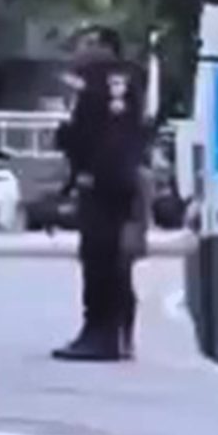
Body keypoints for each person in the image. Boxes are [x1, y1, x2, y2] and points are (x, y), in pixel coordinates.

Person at [53, 26, 149, 362]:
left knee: (97, 258)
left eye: (86, 45)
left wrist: (69, 156)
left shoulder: (86, 80)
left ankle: (97, 334)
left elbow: (77, 131)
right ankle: (123, 334)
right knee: (120, 260)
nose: (80, 52)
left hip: (99, 178)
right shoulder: (135, 77)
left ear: (104, 47)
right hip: (129, 176)